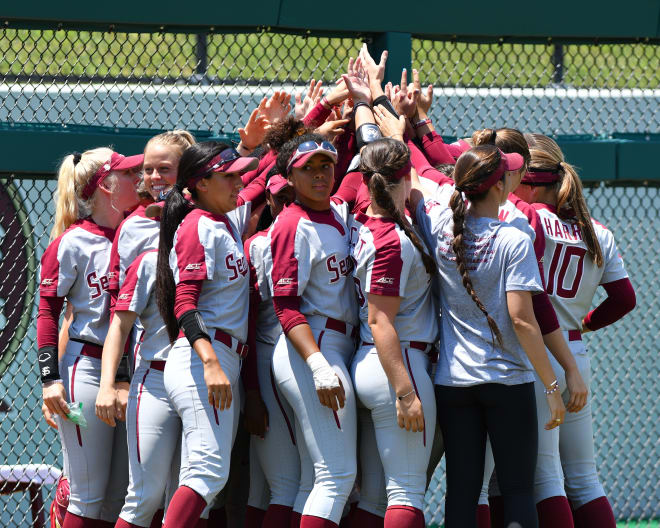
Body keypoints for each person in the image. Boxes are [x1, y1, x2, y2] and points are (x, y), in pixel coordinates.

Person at [414, 144, 566, 528]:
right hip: (507, 381)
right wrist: (551, 386)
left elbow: (416, 181)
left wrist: (398, 123)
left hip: (452, 381)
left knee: (462, 492)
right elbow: (523, 320)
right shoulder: (515, 239)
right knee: (516, 490)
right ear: (499, 187)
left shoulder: (439, 227)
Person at [514, 134, 636, 528]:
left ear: (530, 180)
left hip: (535, 353)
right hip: (574, 355)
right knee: (584, 479)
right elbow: (624, 298)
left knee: (544, 478)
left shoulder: (526, 218)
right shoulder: (596, 229)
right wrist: (585, 322)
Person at [155, 141, 259, 527]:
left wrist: (310, 115)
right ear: (200, 184)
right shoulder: (198, 225)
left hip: (220, 358)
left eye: (238, 175)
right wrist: (212, 362)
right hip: (204, 358)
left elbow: (261, 179)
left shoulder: (222, 220)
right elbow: (184, 302)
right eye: (229, 176)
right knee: (208, 470)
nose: (238, 182)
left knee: (205, 474)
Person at [37, 148, 143, 527]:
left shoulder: (141, 232)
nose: (140, 178)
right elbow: (48, 312)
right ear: (107, 186)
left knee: (119, 495)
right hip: (85, 371)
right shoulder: (73, 241)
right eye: (130, 174)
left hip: (132, 373)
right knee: (87, 492)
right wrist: (50, 380)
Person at [264, 132, 359, 528]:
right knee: (336, 476)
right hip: (312, 344)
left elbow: (363, 167)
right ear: (291, 176)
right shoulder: (291, 224)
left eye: (326, 166)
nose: (320, 175)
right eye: (309, 168)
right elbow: (285, 306)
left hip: (337, 342)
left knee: (314, 479)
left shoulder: (338, 209)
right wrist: (318, 364)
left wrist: (364, 103)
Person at [349, 138, 438, 528]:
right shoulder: (392, 240)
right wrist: (405, 392)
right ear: (404, 180)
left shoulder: (358, 220)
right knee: (406, 491)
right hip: (398, 366)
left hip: (366, 363)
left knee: (372, 496)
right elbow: (380, 320)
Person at [243, 173, 299, 527]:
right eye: (281, 197)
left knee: (269, 489)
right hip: (266, 359)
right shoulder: (257, 244)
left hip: (298, 361)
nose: (288, 202)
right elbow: (247, 322)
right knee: (282, 486)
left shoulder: (325, 228)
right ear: (271, 201)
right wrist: (251, 391)